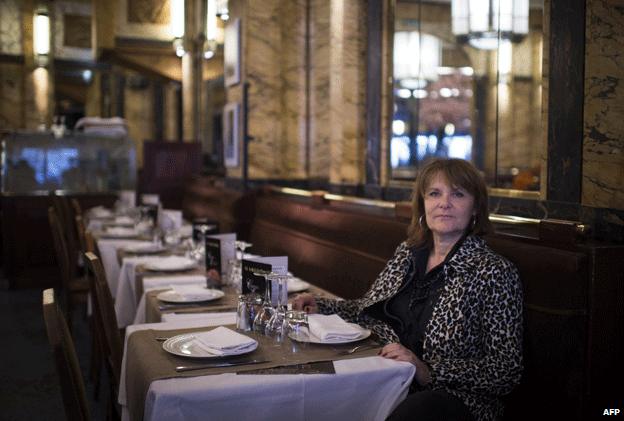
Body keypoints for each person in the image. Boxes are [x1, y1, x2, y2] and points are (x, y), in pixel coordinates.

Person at [293, 158, 523, 421]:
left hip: (451, 401)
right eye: (434, 193)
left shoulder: (494, 271)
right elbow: (365, 309)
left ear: (475, 209)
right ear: (423, 204)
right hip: (386, 380)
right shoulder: (408, 253)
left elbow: (505, 372)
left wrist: (428, 370)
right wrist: (320, 304)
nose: (444, 203)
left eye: (458, 194)